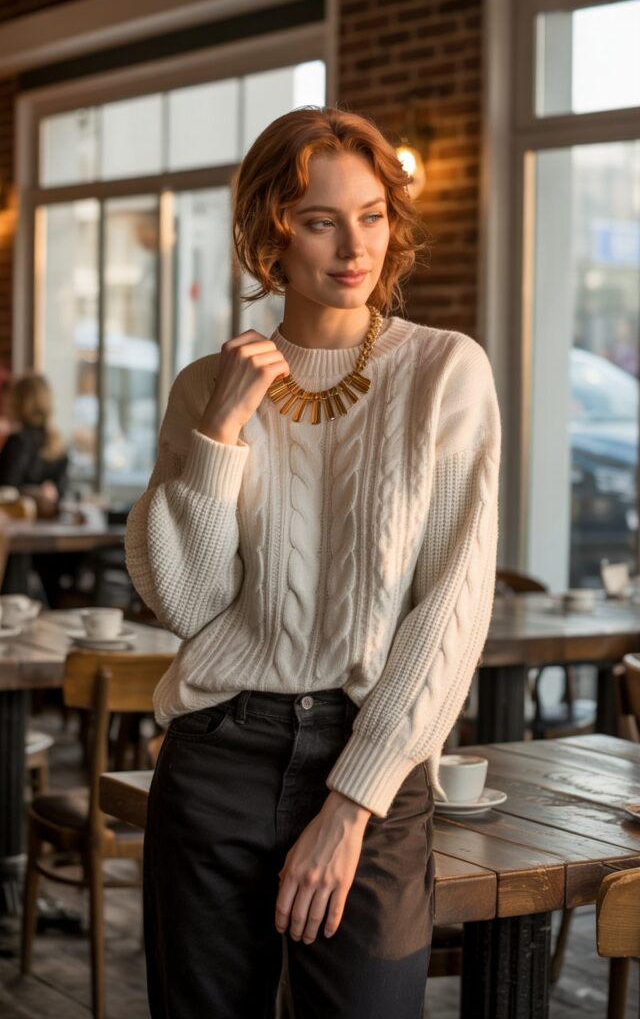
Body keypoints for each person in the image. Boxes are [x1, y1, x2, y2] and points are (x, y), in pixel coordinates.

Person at [125, 105, 501, 1019]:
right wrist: (223, 433)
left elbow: (450, 610)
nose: (352, 246)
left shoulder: (446, 372)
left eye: (371, 214)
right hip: (217, 760)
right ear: (271, 232)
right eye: (320, 219)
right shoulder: (205, 388)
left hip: (369, 761)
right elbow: (185, 600)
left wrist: (351, 803)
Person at [0, 374, 69, 600]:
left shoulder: (19, 440)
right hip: (51, 541)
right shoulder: (57, 443)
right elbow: (62, 493)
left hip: (18, 537)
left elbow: (6, 489)